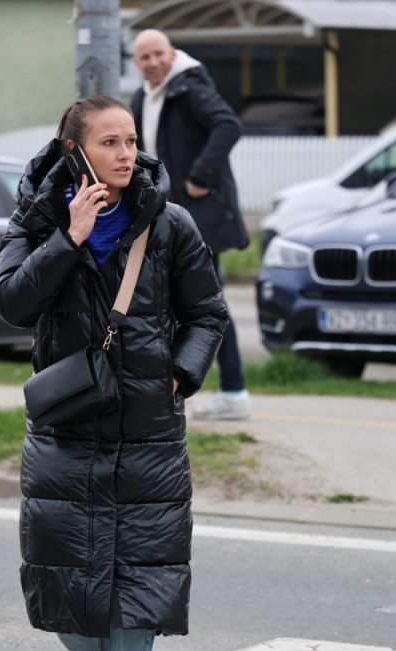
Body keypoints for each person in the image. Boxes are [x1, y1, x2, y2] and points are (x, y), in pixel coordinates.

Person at [0, 95, 227, 651]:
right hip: (66, 431)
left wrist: (179, 375)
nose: (127, 154)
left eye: (131, 140)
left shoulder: (169, 222)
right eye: (110, 142)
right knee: (61, 585)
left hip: (148, 433)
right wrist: (68, 238)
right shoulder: (37, 220)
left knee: (139, 587)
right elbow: (11, 303)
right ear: (76, 152)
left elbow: (207, 313)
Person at [131, 28, 251, 421]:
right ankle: (176, 390)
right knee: (174, 304)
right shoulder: (143, 98)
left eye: (158, 54)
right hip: (167, 218)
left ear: (172, 53)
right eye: (145, 57)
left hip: (200, 219)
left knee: (207, 306)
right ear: (136, 62)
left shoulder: (190, 88)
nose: (153, 62)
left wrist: (199, 176)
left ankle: (233, 393)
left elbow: (228, 125)